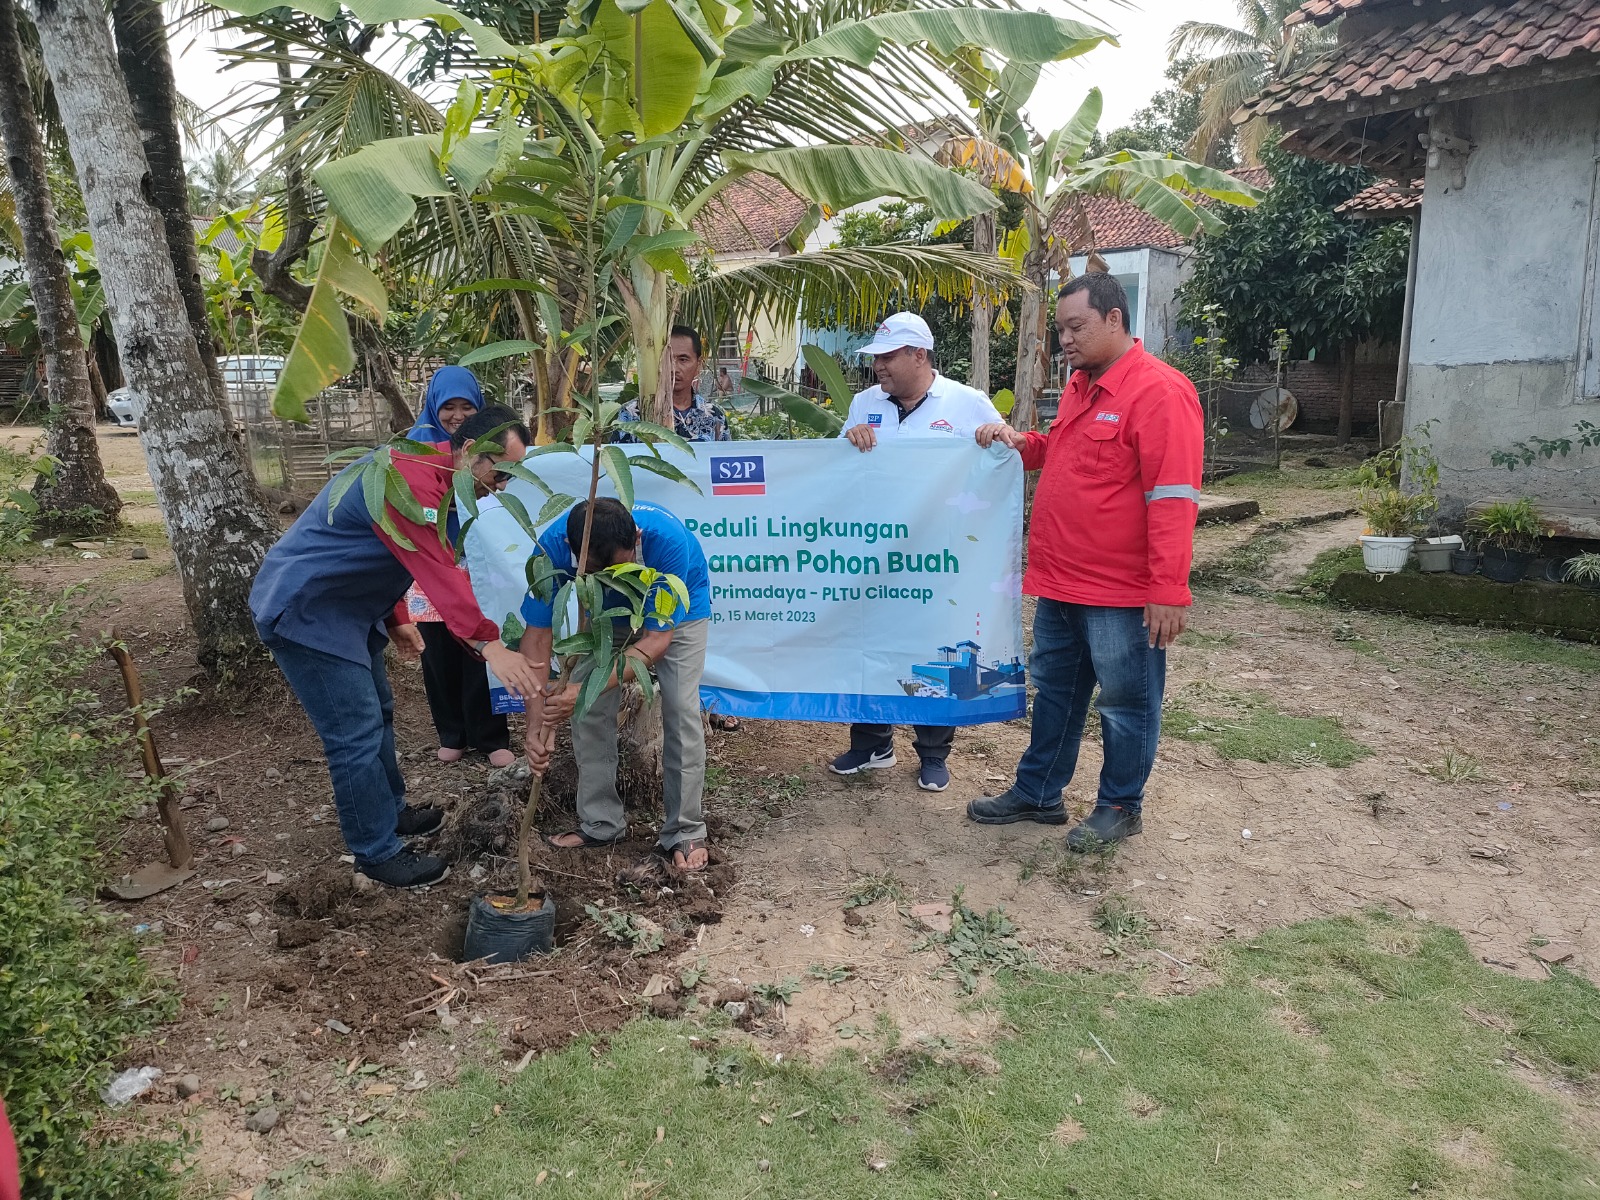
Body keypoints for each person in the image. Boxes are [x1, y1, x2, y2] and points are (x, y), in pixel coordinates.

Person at [250, 405, 544, 889]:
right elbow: (439, 570)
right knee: (355, 732)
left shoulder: (437, 476)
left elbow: (387, 550)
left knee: (380, 712)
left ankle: (390, 812)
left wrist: (397, 617)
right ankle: (375, 852)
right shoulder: (406, 479)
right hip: (308, 612)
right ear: (471, 450)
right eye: (500, 472)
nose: (502, 485)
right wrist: (491, 645)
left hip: (351, 608)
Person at [970, 273, 1203, 851]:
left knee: (1125, 704)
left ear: (1114, 319)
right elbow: (1067, 454)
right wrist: (1022, 444)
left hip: (1120, 593)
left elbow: (1173, 499)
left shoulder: (1159, 393)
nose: (1065, 340)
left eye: (1076, 327)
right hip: (1061, 582)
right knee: (1055, 693)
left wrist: (1168, 589)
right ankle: (1039, 793)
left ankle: (1121, 806)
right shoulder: (1081, 385)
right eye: (1061, 329)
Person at [828, 311, 1003, 793]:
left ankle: (932, 752)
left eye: (887, 357)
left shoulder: (967, 403)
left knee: (934, 649)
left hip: (937, 559)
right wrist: (849, 439)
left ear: (918, 355)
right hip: (875, 555)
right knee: (871, 644)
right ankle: (871, 743)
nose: (878, 366)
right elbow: (840, 469)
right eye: (876, 358)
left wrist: (994, 437)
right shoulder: (864, 403)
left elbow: (1005, 455)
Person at [517, 498, 714, 871]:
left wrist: (583, 690)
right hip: (607, 615)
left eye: (622, 567)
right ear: (574, 551)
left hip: (677, 616)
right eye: (600, 572)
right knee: (587, 711)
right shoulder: (552, 549)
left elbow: (656, 641)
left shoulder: (667, 541)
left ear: (636, 538)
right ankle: (601, 823)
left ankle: (684, 830)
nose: (615, 579)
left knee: (681, 710)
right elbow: (537, 637)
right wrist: (536, 724)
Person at [402, 367, 515, 768]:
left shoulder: (493, 454)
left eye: (467, 406)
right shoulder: (415, 451)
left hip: (478, 562)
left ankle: (490, 736)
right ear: (433, 406)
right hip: (430, 566)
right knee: (439, 655)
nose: (458, 415)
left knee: (481, 652)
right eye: (448, 406)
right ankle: (452, 733)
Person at [616, 325, 730, 443]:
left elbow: (725, 454)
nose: (673, 369)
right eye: (667, 359)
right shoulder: (631, 414)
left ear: (699, 364)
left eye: (683, 359)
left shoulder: (715, 416)